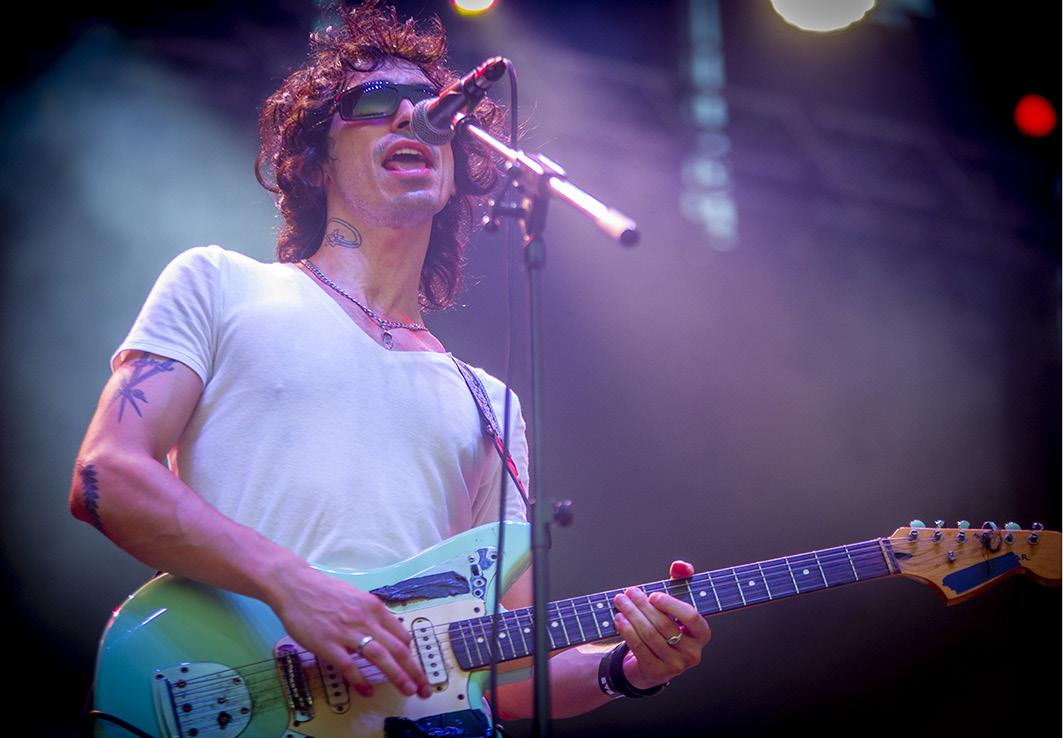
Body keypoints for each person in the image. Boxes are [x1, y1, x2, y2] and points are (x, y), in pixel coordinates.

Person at [69, 0, 711, 729]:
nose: (413, 116)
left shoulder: (489, 403)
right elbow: (106, 476)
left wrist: (626, 668)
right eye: (374, 103)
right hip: (221, 697)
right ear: (314, 160)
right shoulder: (219, 284)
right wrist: (292, 586)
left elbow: (507, 677)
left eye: (432, 105)